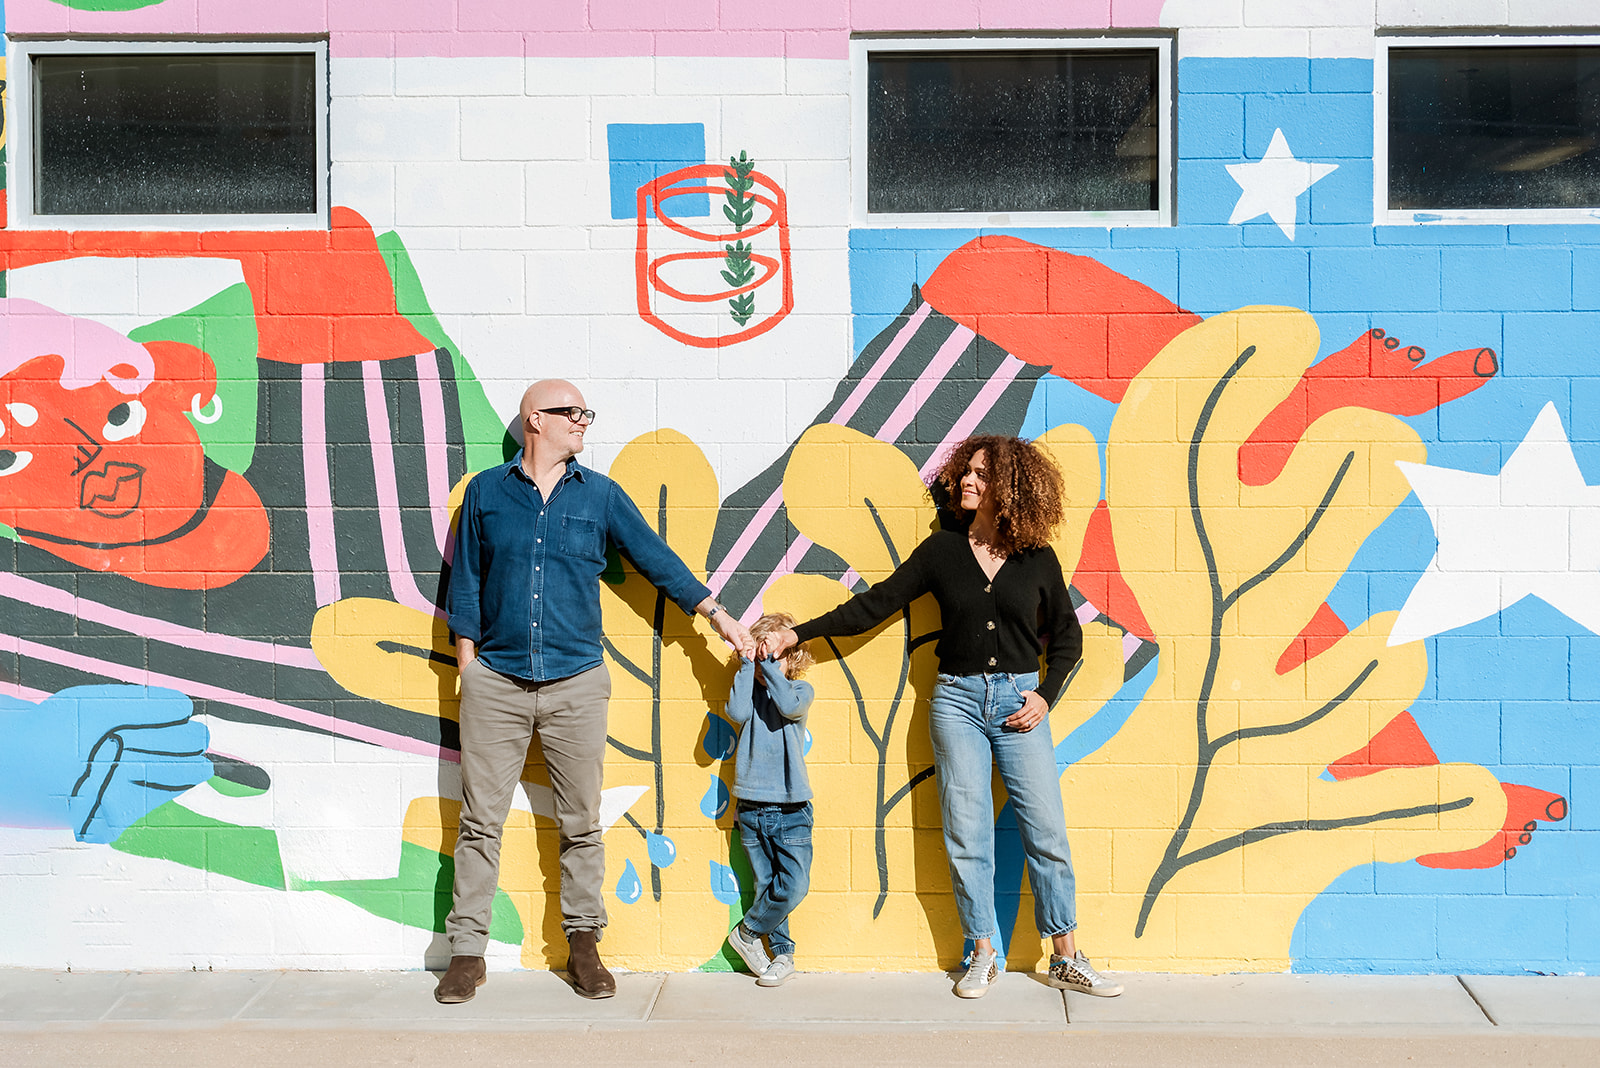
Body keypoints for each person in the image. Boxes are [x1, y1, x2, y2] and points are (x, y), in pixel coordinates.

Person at [758, 434, 1122, 999]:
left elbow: (1068, 638)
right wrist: (795, 634)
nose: (968, 482)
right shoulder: (941, 552)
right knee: (966, 831)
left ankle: (1067, 956)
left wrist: (1045, 694)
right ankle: (981, 951)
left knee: (1046, 830)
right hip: (955, 703)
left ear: (1010, 485)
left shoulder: (1035, 557)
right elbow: (871, 606)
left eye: (981, 474)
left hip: (1020, 702)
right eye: (966, 472)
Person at [438, 379, 754, 1003]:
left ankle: (585, 946)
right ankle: (466, 953)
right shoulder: (485, 493)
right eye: (571, 412)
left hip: (577, 682)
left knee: (582, 822)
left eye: (586, 413)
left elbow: (655, 559)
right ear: (535, 420)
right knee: (480, 823)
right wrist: (467, 666)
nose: (584, 422)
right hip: (494, 682)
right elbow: (466, 584)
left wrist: (717, 614)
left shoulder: (601, 496)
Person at [721, 613, 816, 988]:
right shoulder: (748, 689)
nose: (766, 662)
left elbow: (790, 708)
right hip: (751, 807)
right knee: (767, 886)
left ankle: (745, 934)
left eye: (773, 655)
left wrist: (773, 666)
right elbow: (737, 712)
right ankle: (782, 954)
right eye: (762, 654)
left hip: (792, 807)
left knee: (793, 885)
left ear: (790, 657)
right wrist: (748, 665)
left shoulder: (800, 691)